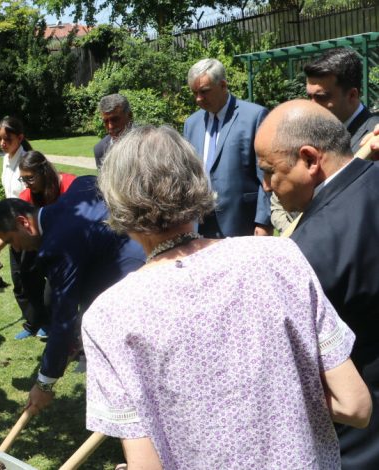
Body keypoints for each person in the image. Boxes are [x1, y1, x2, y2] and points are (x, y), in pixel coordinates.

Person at [84, 125, 371, 469]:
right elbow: (355, 406)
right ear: (196, 180)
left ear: (116, 203)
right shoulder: (279, 257)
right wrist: (282, 400)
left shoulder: (108, 316)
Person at [256, 99, 379, 469]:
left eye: (269, 171)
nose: (266, 186)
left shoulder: (306, 252)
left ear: (310, 159)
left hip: (358, 446)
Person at [0, 177, 145, 415]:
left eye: (11, 241)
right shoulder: (81, 186)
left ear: (23, 222)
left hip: (137, 283)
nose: (16, 249)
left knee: (127, 367)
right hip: (154, 251)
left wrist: (44, 383)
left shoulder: (57, 248)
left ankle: (133, 416)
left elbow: (63, 318)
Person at [270, 47, 379, 232]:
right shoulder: (309, 133)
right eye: (309, 97)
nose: (312, 106)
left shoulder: (373, 141)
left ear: (352, 95)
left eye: (321, 97)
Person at [0, 150, 77, 339]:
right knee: (24, 277)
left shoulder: (69, 185)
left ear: (43, 171)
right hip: (38, 243)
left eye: (30, 178)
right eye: (23, 179)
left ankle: (65, 329)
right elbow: (12, 228)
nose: (26, 184)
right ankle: (38, 323)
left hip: (67, 247)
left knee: (55, 293)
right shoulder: (27, 196)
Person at [183, 58, 272, 238]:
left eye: (204, 91)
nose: (199, 99)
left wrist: (263, 221)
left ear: (223, 85)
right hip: (201, 226)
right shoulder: (191, 124)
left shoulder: (254, 117)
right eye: (195, 93)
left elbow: (266, 175)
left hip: (242, 223)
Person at [93, 93, 133, 170]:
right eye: (106, 121)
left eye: (115, 119)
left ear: (130, 116)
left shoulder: (149, 140)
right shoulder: (100, 150)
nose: (110, 126)